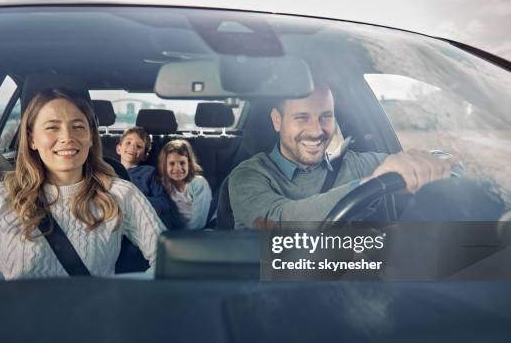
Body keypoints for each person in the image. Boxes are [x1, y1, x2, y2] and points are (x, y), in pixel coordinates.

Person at [0, 88, 165, 284]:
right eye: (52, 127)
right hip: (12, 341)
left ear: (90, 138)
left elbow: (168, 263)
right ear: (32, 139)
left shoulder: (121, 195)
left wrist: (123, 301)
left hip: (90, 336)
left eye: (77, 127)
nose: (67, 138)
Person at [228, 81, 457, 229]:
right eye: (302, 118)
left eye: (326, 116)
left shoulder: (357, 164)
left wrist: (434, 164)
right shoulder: (249, 176)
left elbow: (438, 160)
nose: (317, 131)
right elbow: (281, 222)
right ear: (277, 121)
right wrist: (370, 183)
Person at [115, 127, 173, 216]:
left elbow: (163, 202)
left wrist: (137, 200)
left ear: (145, 156)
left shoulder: (149, 172)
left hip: (137, 215)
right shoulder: (108, 169)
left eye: (138, 146)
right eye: (128, 142)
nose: (132, 147)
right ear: (119, 149)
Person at [158, 140, 212, 230]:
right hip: (179, 227)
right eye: (172, 164)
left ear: (189, 164)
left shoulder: (198, 184)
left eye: (182, 163)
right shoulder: (164, 185)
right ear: (165, 166)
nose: (178, 168)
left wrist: (183, 236)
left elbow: (199, 220)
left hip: (202, 225)